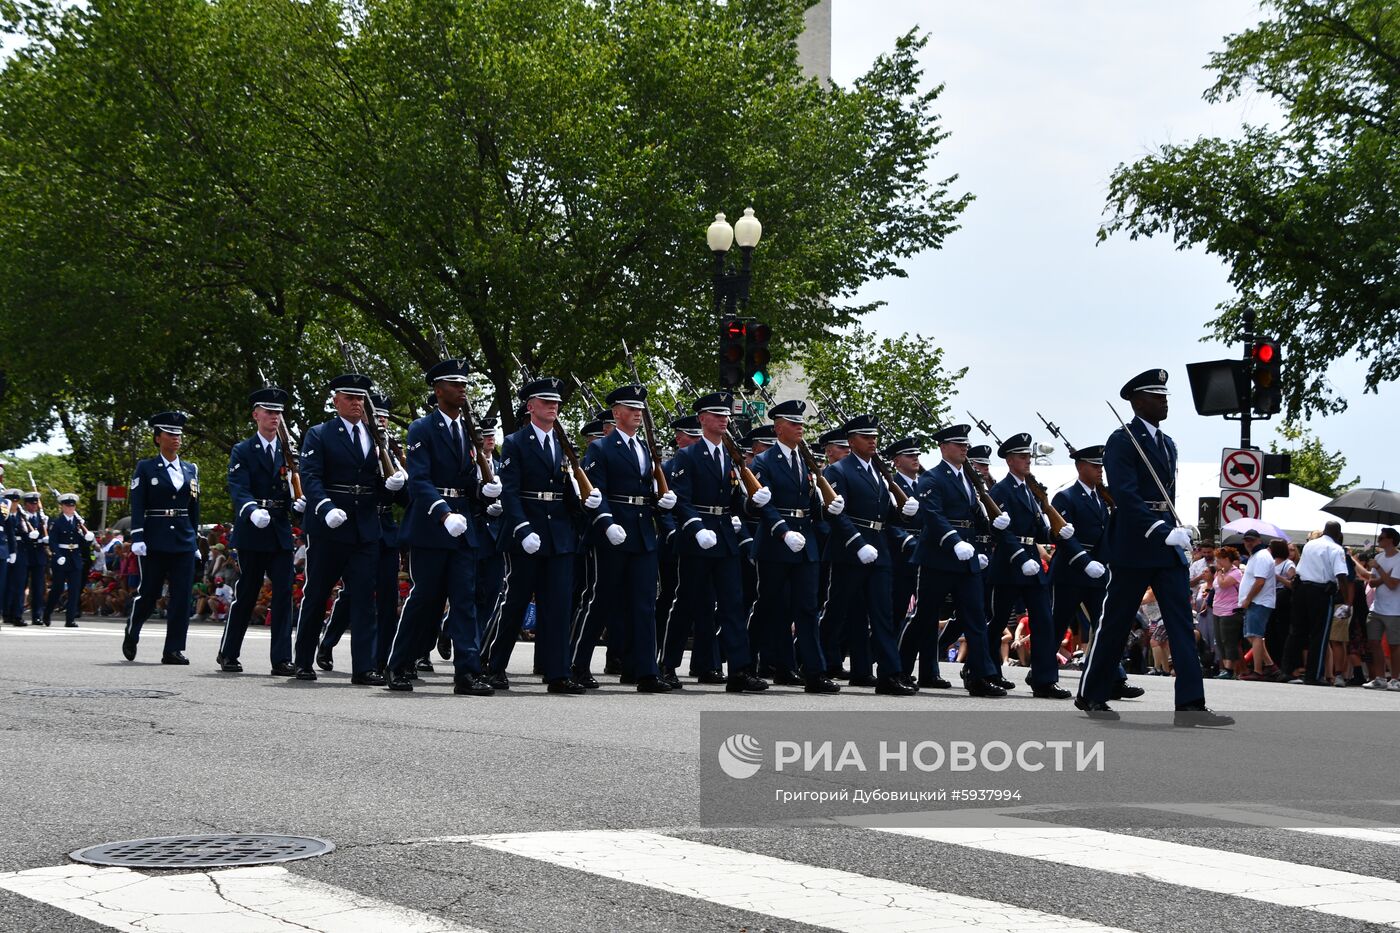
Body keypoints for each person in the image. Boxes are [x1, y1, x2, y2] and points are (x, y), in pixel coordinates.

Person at [1077, 368, 1231, 725]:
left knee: (1180, 620)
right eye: (1156, 396)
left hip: (1165, 545)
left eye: (1165, 396)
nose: (1164, 402)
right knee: (1115, 622)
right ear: (1137, 401)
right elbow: (1126, 498)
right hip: (1134, 543)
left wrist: (1176, 529)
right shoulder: (1122, 441)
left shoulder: (1167, 443)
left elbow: (1166, 497)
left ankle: (1190, 703)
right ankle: (1092, 694)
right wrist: (1161, 529)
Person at [385, 358, 497, 694]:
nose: (462, 390)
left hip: (463, 525)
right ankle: (399, 665)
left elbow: (465, 481)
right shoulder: (422, 429)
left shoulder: (468, 431)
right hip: (433, 526)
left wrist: (483, 492)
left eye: (464, 384)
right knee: (426, 600)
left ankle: (467, 672)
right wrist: (444, 513)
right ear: (438, 390)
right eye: (454, 384)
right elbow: (419, 480)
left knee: (464, 600)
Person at [293, 374, 404, 684]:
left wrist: (390, 486)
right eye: (350, 397)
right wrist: (325, 507)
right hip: (329, 526)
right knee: (316, 594)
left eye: (360, 398)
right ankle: (303, 661)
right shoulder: (319, 434)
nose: (356, 403)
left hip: (365, 525)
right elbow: (311, 477)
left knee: (364, 598)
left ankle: (364, 667)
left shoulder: (375, 436)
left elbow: (374, 483)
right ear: (335, 400)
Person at [481, 376, 588, 694]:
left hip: (557, 535)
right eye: (546, 402)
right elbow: (510, 492)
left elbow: (563, 486)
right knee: (514, 603)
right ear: (531, 407)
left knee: (557, 606)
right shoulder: (516, 442)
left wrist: (584, 507)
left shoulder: (559, 442)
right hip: (526, 532)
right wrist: (522, 527)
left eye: (556, 402)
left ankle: (557, 672)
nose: (553, 406)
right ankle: (495, 666)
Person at [659, 391, 768, 693]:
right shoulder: (688, 455)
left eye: (726, 416)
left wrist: (751, 504)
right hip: (698, 539)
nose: (724, 420)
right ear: (702, 419)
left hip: (724, 537)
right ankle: (667, 666)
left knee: (733, 605)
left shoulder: (731, 457)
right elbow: (680, 498)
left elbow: (734, 501)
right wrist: (695, 527)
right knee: (687, 603)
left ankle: (739, 670)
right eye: (717, 416)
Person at [572, 383, 674, 692]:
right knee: (599, 600)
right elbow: (595, 492)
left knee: (644, 603)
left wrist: (660, 502)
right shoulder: (601, 448)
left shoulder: (644, 448)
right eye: (631, 410)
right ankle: (576, 664)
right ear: (617, 414)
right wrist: (606, 522)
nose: (638, 414)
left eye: (640, 410)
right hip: (612, 534)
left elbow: (645, 490)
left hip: (642, 533)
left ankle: (644, 671)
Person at [900, 424, 1005, 697]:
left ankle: (980, 676)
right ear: (944, 447)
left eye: (966, 444)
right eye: (959, 444)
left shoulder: (967, 480)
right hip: (938, 557)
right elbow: (933, 516)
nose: (964, 448)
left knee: (975, 618)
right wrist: (954, 541)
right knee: (924, 617)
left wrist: (994, 526)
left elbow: (973, 515)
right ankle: (900, 669)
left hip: (965, 558)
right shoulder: (932, 478)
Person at [819, 414, 919, 695]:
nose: (873, 441)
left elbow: (883, 516)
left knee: (882, 614)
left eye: (874, 436)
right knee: (837, 611)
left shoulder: (878, 471)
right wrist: (857, 543)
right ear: (851, 441)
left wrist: (902, 512)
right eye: (866, 437)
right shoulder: (838, 471)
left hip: (880, 551)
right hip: (849, 552)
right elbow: (837, 514)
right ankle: (819, 663)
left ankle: (889, 674)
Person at [745, 399, 838, 693]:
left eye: (801, 423)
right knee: (768, 605)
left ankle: (814, 672)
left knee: (808, 609)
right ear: (778, 427)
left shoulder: (806, 460)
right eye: (793, 423)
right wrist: (783, 532)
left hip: (805, 541)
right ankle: (745, 666)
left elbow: (810, 503)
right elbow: (764, 504)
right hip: (775, 542)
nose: (800, 427)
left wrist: (827, 508)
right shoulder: (764, 461)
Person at [318, 393, 410, 675]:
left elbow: (405, 498)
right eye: (376, 415)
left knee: (386, 593)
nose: (380, 420)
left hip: (384, 526)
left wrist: (401, 481)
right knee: (355, 593)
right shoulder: (360, 443)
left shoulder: (388, 448)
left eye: (383, 416)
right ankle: (328, 641)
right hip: (359, 523)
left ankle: (380, 660)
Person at [218, 386, 302, 675]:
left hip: (278, 528)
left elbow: (294, 487)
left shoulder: (288, 451)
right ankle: (228, 653)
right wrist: (252, 510)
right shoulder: (243, 450)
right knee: (248, 592)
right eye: (269, 412)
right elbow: (238, 488)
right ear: (256, 415)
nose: (274, 417)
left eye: (278, 412)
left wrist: (300, 501)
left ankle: (281, 658)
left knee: (283, 592)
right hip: (253, 529)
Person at [1050, 445, 1142, 700]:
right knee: (1057, 625)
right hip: (1070, 570)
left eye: (1100, 465)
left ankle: (1114, 678)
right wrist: (1084, 561)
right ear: (1080, 467)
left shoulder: (1102, 498)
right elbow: (1063, 536)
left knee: (1106, 626)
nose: (1100, 470)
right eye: (1094, 466)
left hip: (1098, 570)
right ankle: (1043, 676)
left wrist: (1108, 561)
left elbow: (1106, 535)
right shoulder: (1065, 497)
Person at [988, 432, 1074, 699]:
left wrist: (1055, 535)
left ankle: (1044, 679)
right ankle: (986, 671)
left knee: (1044, 622)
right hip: (1009, 565)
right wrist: (1021, 558)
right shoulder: (1000, 491)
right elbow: (1003, 532)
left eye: (1029, 457)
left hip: (1032, 565)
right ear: (1010, 460)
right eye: (1023, 457)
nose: (1028, 461)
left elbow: (1037, 530)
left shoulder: (1030, 491)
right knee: (998, 621)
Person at [123, 412, 202, 664]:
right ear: (158, 438)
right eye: (170, 434)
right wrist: (137, 536)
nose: (176, 438)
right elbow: (137, 504)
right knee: (149, 592)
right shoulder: (145, 468)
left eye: (178, 434)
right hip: (155, 538)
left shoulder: (191, 469)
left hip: (183, 539)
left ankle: (173, 649)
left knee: (181, 596)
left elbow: (194, 507)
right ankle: (133, 629)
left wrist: (195, 540)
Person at [1283, 521, 1351, 685]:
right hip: (1320, 592)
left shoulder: (1310, 545)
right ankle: (1313, 675)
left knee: (1296, 632)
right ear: (1338, 534)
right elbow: (1341, 575)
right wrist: (1347, 601)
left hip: (1301, 589)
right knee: (1319, 635)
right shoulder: (1336, 549)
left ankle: (1287, 671)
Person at [43, 493, 95, 627]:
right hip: (62, 558)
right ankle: (47, 614)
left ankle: (70, 619)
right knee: (58, 588)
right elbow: (53, 541)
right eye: (68, 506)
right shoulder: (56, 522)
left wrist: (88, 539)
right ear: (62, 507)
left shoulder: (78, 522)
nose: (71, 508)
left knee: (74, 590)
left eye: (73, 506)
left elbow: (82, 543)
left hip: (75, 559)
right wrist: (57, 555)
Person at [1236, 530, 1280, 681]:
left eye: (1252, 540)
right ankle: (1270, 665)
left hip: (1259, 601)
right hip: (1256, 601)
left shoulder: (1261, 556)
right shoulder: (1255, 556)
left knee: (1255, 636)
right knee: (1252, 636)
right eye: (1246, 540)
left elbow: (1260, 581)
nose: (1249, 543)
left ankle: (1258, 671)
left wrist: (1248, 598)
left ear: (1259, 541)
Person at [1363, 527, 1399, 690]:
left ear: (1391, 540)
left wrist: (1379, 570)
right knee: (1374, 643)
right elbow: (1372, 582)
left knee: (1394, 645)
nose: (1379, 541)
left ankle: (1396, 679)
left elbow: (1392, 585)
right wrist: (1385, 575)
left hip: (1394, 610)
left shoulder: (1398, 559)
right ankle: (1380, 678)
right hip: (1376, 607)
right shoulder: (1378, 557)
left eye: (1382, 538)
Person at [6, 491, 46, 626]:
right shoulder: (19, 516)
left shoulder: (42, 517)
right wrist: (27, 534)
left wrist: (44, 536)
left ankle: (37, 616)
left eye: (35, 504)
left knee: (38, 587)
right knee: (19, 585)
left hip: (38, 555)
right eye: (31, 504)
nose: (34, 506)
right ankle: (16, 614)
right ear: (26, 504)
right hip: (23, 552)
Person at [1211, 546, 1243, 680]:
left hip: (1230, 610)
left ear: (1227, 559)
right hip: (1217, 609)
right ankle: (1224, 667)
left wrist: (1218, 573)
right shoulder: (1220, 573)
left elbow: (1223, 584)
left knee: (1228, 640)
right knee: (1219, 640)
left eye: (1220, 559)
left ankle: (1230, 668)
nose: (1217, 562)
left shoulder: (1236, 573)